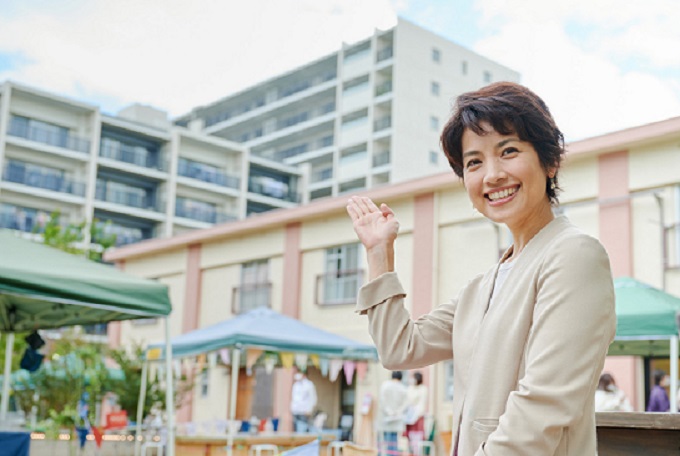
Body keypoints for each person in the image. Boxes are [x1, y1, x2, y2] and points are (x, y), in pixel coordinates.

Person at [346, 81, 616, 456]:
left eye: (508, 151)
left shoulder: (575, 256)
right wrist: (379, 252)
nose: (491, 175)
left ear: (551, 161)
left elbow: (543, 409)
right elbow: (400, 349)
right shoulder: (483, 286)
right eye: (474, 162)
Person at [379, 371, 409, 456]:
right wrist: (398, 412)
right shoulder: (403, 388)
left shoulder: (385, 385)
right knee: (394, 441)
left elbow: (382, 401)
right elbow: (406, 403)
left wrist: (389, 412)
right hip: (397, 418)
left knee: (386, 441)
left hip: (386, 418)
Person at [404, 371, 428, 442]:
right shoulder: (410, 388)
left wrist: (417, 414)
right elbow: (408, 400)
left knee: (417, 437)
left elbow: (422, 403)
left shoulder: (423, 389)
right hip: (409, 416)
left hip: (418, 416)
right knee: (409, 436)